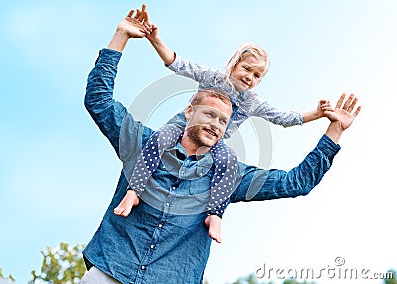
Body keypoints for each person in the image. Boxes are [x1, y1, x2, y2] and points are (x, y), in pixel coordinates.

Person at [81, 7, 361, 284]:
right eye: (208, 114)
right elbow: (100, 100)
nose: (216, 123)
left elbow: (295, 181)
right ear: (189, 111)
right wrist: (121, 36)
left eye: (224, 120)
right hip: (111, 270)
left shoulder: (225, 175)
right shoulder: (145, 144)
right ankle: (134, 192)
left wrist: (332, 128)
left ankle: (215, 215)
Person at [113, 5, 333, 243]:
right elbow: (177, 63)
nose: (249, 77)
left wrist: (318, 113)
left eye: (257, 75)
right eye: (246, 68)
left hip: (213, 142)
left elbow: (284, 118)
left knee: (228, 161)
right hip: (184, 128)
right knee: (158, 140)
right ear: (234, 63)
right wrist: (155, 39)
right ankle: (133, 191)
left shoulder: (252, 101)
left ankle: (215, 215)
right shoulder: (213, 78)